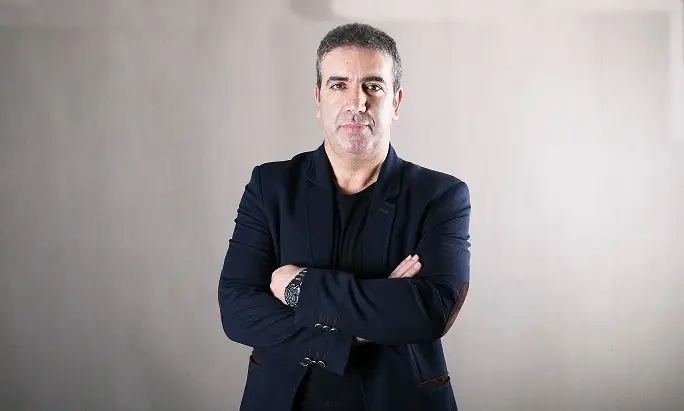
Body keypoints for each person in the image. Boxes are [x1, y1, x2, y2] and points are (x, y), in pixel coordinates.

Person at [218, 22, 471, 411]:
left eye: (373, 86)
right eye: (339, 85)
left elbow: (429, 311)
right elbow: (237, 309)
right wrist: (355, 333)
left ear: (396, 102)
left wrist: (301, 288)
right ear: (318, 99)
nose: (357, 102)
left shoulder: (441, 196)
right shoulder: (271, 186)